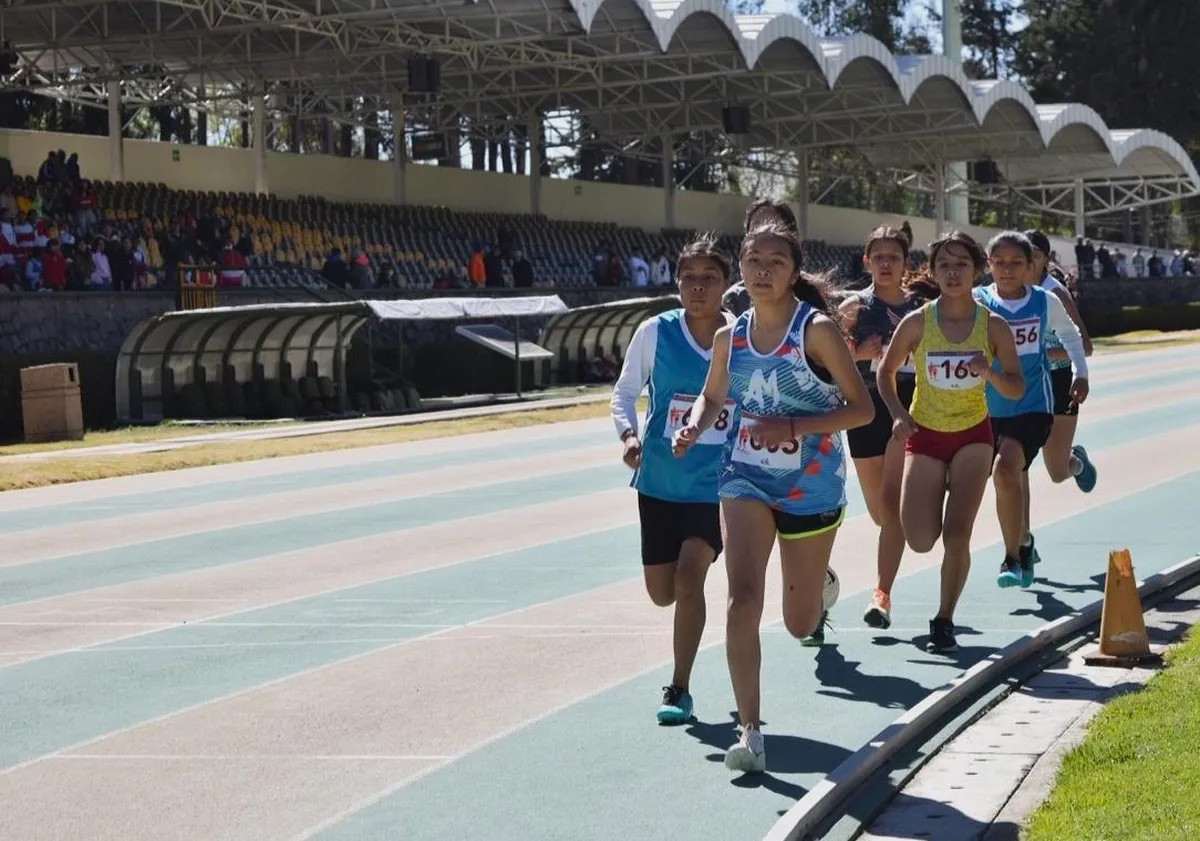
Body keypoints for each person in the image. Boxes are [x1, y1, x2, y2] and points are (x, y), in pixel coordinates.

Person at [673, 222, 874, 773]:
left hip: (811, 483)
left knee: (798, 621)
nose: (762, 270)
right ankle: (751, 729)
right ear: (740, 266)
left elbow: (862, 410)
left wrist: (794, 423)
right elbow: (713, 397)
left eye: (776, 262)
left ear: (792, 271)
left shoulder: (817, 332)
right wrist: (693, 425)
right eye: (753, 260)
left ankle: (820, 587)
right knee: (742, 597)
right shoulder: (728, 339)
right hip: (743, 476)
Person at [876, 231, 1024, 653]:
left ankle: (944, 620)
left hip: (973, 437)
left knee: (958, 535)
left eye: (961, 264)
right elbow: (885, 375)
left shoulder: (992, 325)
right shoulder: (918, 321)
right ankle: (932, 502)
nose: (953, 272)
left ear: (976, 270)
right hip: (924, 436)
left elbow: (1014, 386)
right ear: (932, 271)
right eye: (944, 265)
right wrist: (900, 415)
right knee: (920, 537)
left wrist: (989, 372)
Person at [609, 235, 735, 725]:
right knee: (663, 592)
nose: (698, 287)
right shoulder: (655, 332)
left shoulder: (740, 335)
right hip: (659, 481)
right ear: (677, 282)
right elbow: (623, 395)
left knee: (690, 576)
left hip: (718, 484)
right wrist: (628, 437)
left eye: (709, 278)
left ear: (726, 283)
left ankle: (679, 686)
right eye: (689, 278)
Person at [974, 232, 1089, 587]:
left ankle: (1011, 559)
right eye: (1000, 262)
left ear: (1029, 266)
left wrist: (1080, 374)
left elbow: (1071, 336)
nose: (1007, 270)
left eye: (1016, 263)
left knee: (1006, 470)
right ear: (988, 265)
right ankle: (1022, 542)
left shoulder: (1044, 300)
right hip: (984, 408)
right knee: (1003, 476)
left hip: (1032, 405)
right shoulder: (976, 301)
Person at [839, 222, 935, 629]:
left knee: (892, 506)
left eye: (893, 257)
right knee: (882, 515)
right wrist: (859, 352)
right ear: (866, 261)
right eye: (877, 257)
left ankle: (881, 595)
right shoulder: (852, 308)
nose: (885, 263)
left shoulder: (922, 306)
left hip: (906, 405)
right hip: (863, 410)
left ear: (905, 262)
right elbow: (829, 362)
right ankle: (908, 533)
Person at [1023, 230, 1098, 502]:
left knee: (1057, 471)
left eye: (1036, 255)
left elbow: (1085, 346)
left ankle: (1077, 463)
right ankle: (1020, 540)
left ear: (1045, 259)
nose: (1029, 261)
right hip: (1025, 385)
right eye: (1024, 254)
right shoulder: (1006, 291)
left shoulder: (1054, 293)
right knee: (1013, 464)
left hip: (1059, 383)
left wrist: (1037, 354)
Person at [722, 199, 800, 317]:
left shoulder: (814, 298)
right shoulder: (734, 299)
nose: (766, 233)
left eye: (774, 226)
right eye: (757, 227)